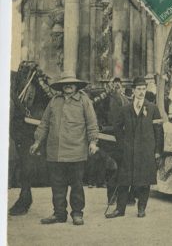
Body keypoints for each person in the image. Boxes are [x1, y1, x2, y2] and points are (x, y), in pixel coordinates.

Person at [30, 71, 99, 225]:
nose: (68, 86)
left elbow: (92, 123)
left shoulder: (84, 101)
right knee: (57, 185)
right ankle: (59, 214)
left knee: (76, 184)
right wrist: (37, 141)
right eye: (65, 84)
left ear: (76, 85)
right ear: (61, 86)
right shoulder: (54, 101)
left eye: (71, 83)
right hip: (55, 152)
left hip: (77, 151)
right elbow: (45, 123)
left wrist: (93, 142)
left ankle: (77, 213)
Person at [106, 77, 163, 219]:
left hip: (146, 150)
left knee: (144, 181)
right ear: (133, 91)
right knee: (124, 181)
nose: (141, 92)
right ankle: (120, 209)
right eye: (139, 89)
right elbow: (117, 127)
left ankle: (141, 208)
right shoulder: (125, 109)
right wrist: (122, 143)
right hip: (129, 150)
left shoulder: (152, 108)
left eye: (144, 89)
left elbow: (159, 132)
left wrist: (157, 151)